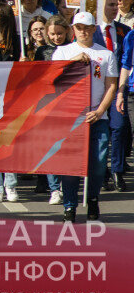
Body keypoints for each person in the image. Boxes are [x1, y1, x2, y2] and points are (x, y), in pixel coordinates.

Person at [52, 12, 119, 222]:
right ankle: (69, 206)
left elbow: (111, 85)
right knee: (70, 163)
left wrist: (100, 111)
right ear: (73, 29)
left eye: (86, 27)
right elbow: (53, 79)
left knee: (98, 163)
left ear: (92, 29)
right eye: (79, 27)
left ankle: (92, 199)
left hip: (98, 117)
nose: (82, 31)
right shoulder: (62, 51)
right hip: (70, 117)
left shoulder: (106, 54)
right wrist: (72, 61)